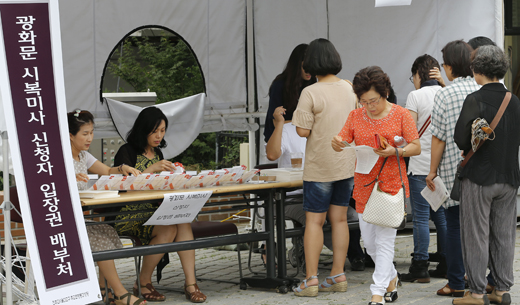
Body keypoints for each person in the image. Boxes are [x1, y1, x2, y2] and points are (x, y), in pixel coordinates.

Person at [332, 66, 421, 305]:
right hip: (363, 186)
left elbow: (416, 146)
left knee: (384, 242)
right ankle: (391, 278)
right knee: (369, 244)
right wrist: (338, 143)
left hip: (391, 186)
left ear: (385, 93)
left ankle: (377, 293)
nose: (369, 106)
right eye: (364, 102)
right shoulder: (355, 116)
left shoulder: (401, 114)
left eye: (373, 100)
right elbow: (342, 138)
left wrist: (396, 151)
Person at [113, 107, 206, 303]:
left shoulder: (158, 152)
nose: (159, 135)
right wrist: (151, 169)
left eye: (162, 130)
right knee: (167, 229)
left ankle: (191, 283)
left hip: (155, 211)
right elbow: (124, 188)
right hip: (130, 214)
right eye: (154, 131)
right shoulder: (127, 151)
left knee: (183, 220)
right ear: (143, 129)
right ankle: (144, 281)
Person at [453, 45, 519, 305]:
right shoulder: (514, 100)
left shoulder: (475, 99)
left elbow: (461, 140)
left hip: (479, 177)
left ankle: (477, 292)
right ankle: (502, 290)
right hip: (509, 177)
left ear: (476, 70)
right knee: (504, 234)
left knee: (475, 233)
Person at [291, 38, 356, 297]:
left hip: (320, 167)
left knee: (314, 222)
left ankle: (311, 279)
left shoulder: (310, 92)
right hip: (346, 165)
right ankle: (338, 274)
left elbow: (302, 130)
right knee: (340, 219)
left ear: (311, 64)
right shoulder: (349, 88)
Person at [68, 110, 146, 305]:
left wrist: (122, 168)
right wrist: (67, 178)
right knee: (99, 238)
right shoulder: (57, 158)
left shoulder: (83, 156)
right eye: (84, 133)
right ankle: (120, 294)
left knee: (106, 230)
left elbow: (108, 171)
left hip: (79, 218)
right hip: (64, 222)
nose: (89, 138)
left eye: (91, 132)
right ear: (70, 135)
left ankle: (105, 290)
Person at [425, 40, 480, 298]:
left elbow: (438, 137)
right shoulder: (485, 88)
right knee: (482, 227)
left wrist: (432, 171)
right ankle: (484, 280)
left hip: (453, 172)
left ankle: (456, 283)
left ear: (448, 67)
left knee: (455, 227)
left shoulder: (444, 94)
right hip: (484, 172)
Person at [399, 55, 447, 283]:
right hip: (443, 166)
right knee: (442, 216)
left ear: (418, 74)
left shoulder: (415, 96)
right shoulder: (447, 92)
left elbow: (410, 134)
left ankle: (420, 267)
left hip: (420, 166)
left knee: (420, 218)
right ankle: (446, 262)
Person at [263, 43, 316, 143]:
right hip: (280, 140)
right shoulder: (280, 85)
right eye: (305, 67)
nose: (309, 72)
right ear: (296, 65)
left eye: (312, 67)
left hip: (301, 139)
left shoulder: (312, 83)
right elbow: (275, 121)